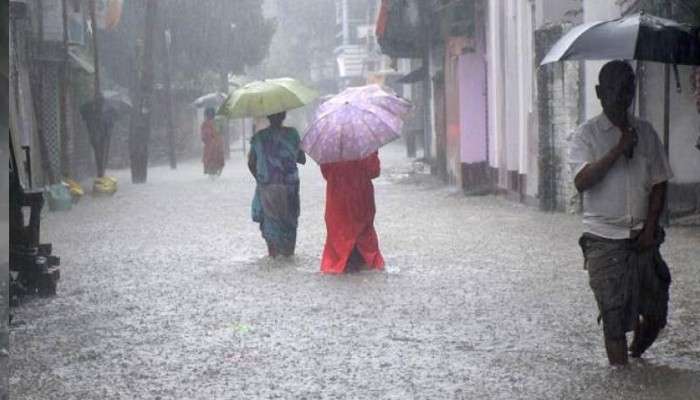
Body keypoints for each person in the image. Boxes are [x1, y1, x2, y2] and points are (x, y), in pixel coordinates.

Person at [568, 60, 673, 366]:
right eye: (614, 88)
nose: (622, 95)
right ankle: (621, 380)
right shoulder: (586, 135)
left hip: (644, 237)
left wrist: (651, 228)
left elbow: (659, 182)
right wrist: (617, 149)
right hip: (603, 239)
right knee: (614, 320)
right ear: (600, 92)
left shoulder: (647, 132)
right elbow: (581, 181)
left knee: (655, 314)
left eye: (628, 88)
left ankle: (636, 359)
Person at [248, 111, 306, 258]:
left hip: (268, 185)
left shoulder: (259, 137)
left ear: (268, 117)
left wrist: (261, 177)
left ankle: (273, 256)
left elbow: (251, 162)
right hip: (290, 186)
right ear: (284, 115)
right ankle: (288, 254)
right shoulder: (292, 134)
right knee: (290, 222)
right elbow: (302, 158)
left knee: (271, 223)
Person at [320, 151, 385, 274]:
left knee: (339, 229)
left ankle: (342, 261)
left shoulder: (330, 146)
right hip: (361, 193)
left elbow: (326, 173)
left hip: (337, 194)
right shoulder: (365, 145)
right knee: (363, 229)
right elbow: (374, 171)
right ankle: (365, 260)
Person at [201, 107, 225, 177]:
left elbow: (204, 137)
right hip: (217, 144)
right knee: (217, 160)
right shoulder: (217, 122)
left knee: (211, 160)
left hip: (210, 146)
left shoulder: (205, 124)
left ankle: (212, 173)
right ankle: (216, 172)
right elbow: (221, 132)